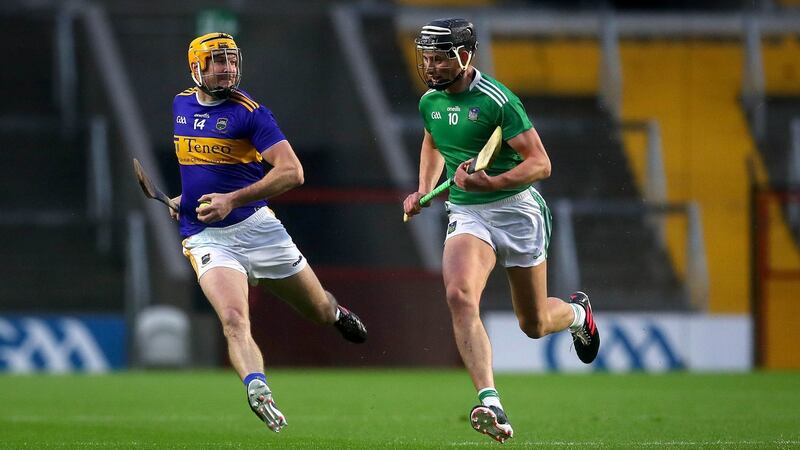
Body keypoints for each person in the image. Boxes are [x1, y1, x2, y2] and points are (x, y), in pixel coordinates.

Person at [402, 19, 600, 443]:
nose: (431, 66)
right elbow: (433, 141)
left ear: (465, 55)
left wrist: (491, 182)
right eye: (427, 58)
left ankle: (578, 314)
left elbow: (541, 164)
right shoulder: (430, 102)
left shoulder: (499, 100)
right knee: (459, 295)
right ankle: (490, 399)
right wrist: (424, 190)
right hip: (468, 214)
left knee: (533, 322)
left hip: (518, 212)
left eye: (440, 57)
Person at [170, 32, 367, 433]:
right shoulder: (180, 104)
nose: (228, 69)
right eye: (218, 62)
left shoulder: (252, 113)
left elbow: (293, 172)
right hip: (206, 236)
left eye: (232, 60)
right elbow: (197, 166)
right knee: (233, 318)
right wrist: (185, 198)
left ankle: (336, 312)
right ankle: (258, 388)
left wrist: (232, 200)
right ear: (197, 68)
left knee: (318, 311)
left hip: (258, 229)